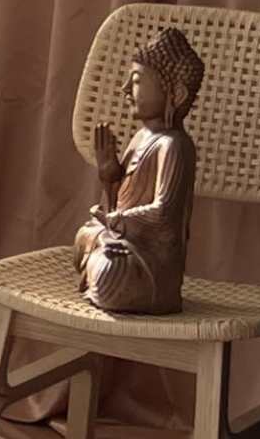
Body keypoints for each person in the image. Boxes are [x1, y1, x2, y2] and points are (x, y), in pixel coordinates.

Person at [74, 26, 202, 315]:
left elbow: (164, 213)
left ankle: (140, 291)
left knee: (109, 269)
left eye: (136, 81)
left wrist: (116, 220)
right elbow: (117, 201)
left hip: (152, 258)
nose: (124, 90)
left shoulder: (174, 146)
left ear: (176, 93)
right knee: (85, 235)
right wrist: (109, 177)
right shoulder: (140, 138)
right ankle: (106, 276)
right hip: (126, 242)